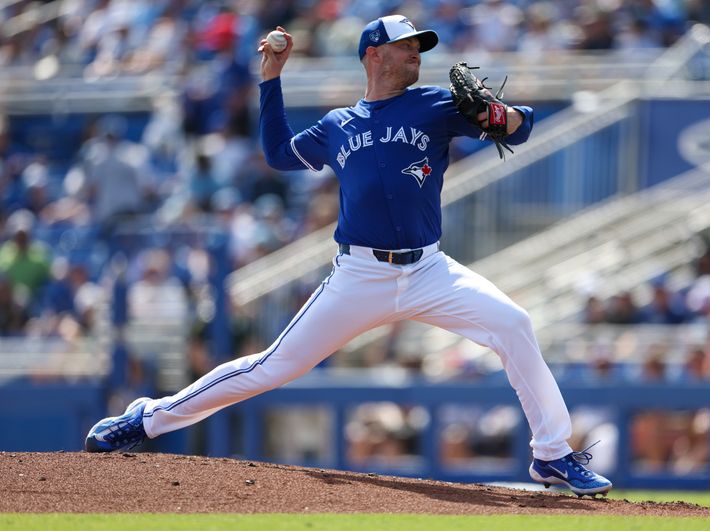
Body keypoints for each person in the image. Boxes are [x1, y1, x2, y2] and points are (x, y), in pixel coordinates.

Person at [85, 15, 612, 497]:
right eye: (405, 47)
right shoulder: (340, 123)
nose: (416, 55)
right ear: (373, 55)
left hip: (430, 268)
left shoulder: (433, 105)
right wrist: (271, 78)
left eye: (418, 48)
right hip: (359, 274)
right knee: (271, 367)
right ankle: (147, 418)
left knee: (515, 324)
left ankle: (552, 455)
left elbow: (522, 124)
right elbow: (278, 154)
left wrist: (499, 114)